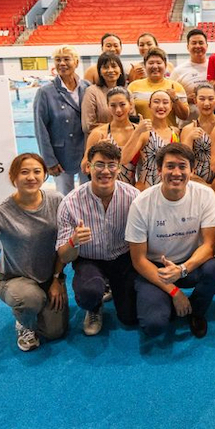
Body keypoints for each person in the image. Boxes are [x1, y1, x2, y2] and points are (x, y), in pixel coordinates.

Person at [0, 153, 68, 352]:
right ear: (13, 177)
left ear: (45, 175)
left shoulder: (56, 200)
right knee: (29, 300)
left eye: (37, 172)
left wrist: (57, 279)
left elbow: (63, 243)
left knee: (55, 332)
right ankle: (24, 323)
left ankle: (36, 308)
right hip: (14, 279)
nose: (31, 177)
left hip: (48, 277)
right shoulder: (1, 212)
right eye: (24, 172)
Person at [126, 143, 215, 338]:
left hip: (189, 264)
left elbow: (209, 245)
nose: (176, 172)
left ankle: (196, 310)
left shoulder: (205, 195)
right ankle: (171, 302)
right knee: (154, 325)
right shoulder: (141, 203)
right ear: (159, 170)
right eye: (170, 166)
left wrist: (182, 269)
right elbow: (138, 260)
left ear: (192, 170)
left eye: (182, 166)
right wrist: (175, 293)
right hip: (156, 268)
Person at [55, 141, 140, 336]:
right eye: (99, 164)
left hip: (122, 257)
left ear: (119, 168)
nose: (105, 171)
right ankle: (94, 307)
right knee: (89, 293)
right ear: (88, 167)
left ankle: (112, 287)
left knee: (130, 317)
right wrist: (73, 241)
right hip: (89, 258)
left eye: (112, 165)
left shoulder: (133, 197)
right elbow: (64, 256)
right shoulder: (70, 203)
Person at [34, 45, 89, 195]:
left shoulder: (87, 87)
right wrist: (49, 160)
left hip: (86, 152)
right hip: (61, 154)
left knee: (88, 194)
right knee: (64, 197)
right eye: (58, 60)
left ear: (76, 63)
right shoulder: (45, 92)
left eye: (66, 59)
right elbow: (41, 129)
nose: (62, 63)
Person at [122, 90, 180, 191]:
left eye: (165, 102)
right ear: (149, 105)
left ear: (171, 107)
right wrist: (137, 132)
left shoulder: (175, 132)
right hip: (147, 190)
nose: (161, 106)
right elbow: (124, 159)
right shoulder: (145, 132)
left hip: (169, 189)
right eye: (156, 102)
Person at [82, 87, 138, 185]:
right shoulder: (98, 133)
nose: (118, 110)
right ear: (107, 106)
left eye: (122, 104)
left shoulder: (139, 132)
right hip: (105, 189)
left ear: (131, 105)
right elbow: (84, 168)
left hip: (133, 190)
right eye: (113, 105)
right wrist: (95, 150)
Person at [127, 47, 189, 127]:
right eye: (151, 63)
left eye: (159, 63)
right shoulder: (133, 86)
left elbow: (184, 116)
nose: (155, 66)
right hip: (142, 134)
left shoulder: (176, 86)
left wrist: (175, 99)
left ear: (165, 65)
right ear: (145, 65)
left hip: (169, 135)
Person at [180, 82, 215, 185]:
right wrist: (189, 138)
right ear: (195, 101)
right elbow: (183, 161)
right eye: (202, 99)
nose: (206, 103)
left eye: (211, 99)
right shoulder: (188, 129)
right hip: (196, 181)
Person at [81, 52, 126, 136]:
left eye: (114, 66)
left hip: (125, 140)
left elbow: (132, 120)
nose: (110, 70)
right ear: (100, 72)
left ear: (120, 70)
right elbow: (87, 126)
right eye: (105, 67)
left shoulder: (127, 92)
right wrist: (114, 129)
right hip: (100, 141)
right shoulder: (91, 92)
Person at [171, 28, 210, 126]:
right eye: (194, 43)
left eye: (201, 43)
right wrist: (185, 99)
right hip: (187, 124)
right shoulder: (178, 71)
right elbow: (170, 97)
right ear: (188, 47)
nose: (198, 46)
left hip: (211, 125)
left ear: (207, 46)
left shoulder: (214, 66)